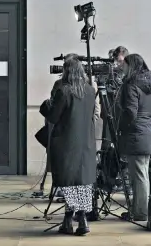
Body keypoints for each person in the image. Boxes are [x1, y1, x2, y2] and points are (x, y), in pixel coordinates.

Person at [39, 59, 97, 236]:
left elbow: (53, 117)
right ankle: (77, 219)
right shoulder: (90, 90)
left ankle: (75, 220)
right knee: (82, 182)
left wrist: (46, 106)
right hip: (86, 143)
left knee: (69, 183)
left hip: (66, 143)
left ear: (67, 72)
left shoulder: (64, 91)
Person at [117, 53, 151, 221]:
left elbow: (130, 112)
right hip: (146, 131)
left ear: (131, 66)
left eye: (125, 65)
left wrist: (120, 126)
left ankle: (141, 212)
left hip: (135, 133)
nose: (122, 67)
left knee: (138, 176)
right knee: (142, 175)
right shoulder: (150, 83)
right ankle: (139, 209)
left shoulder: (131, 84)